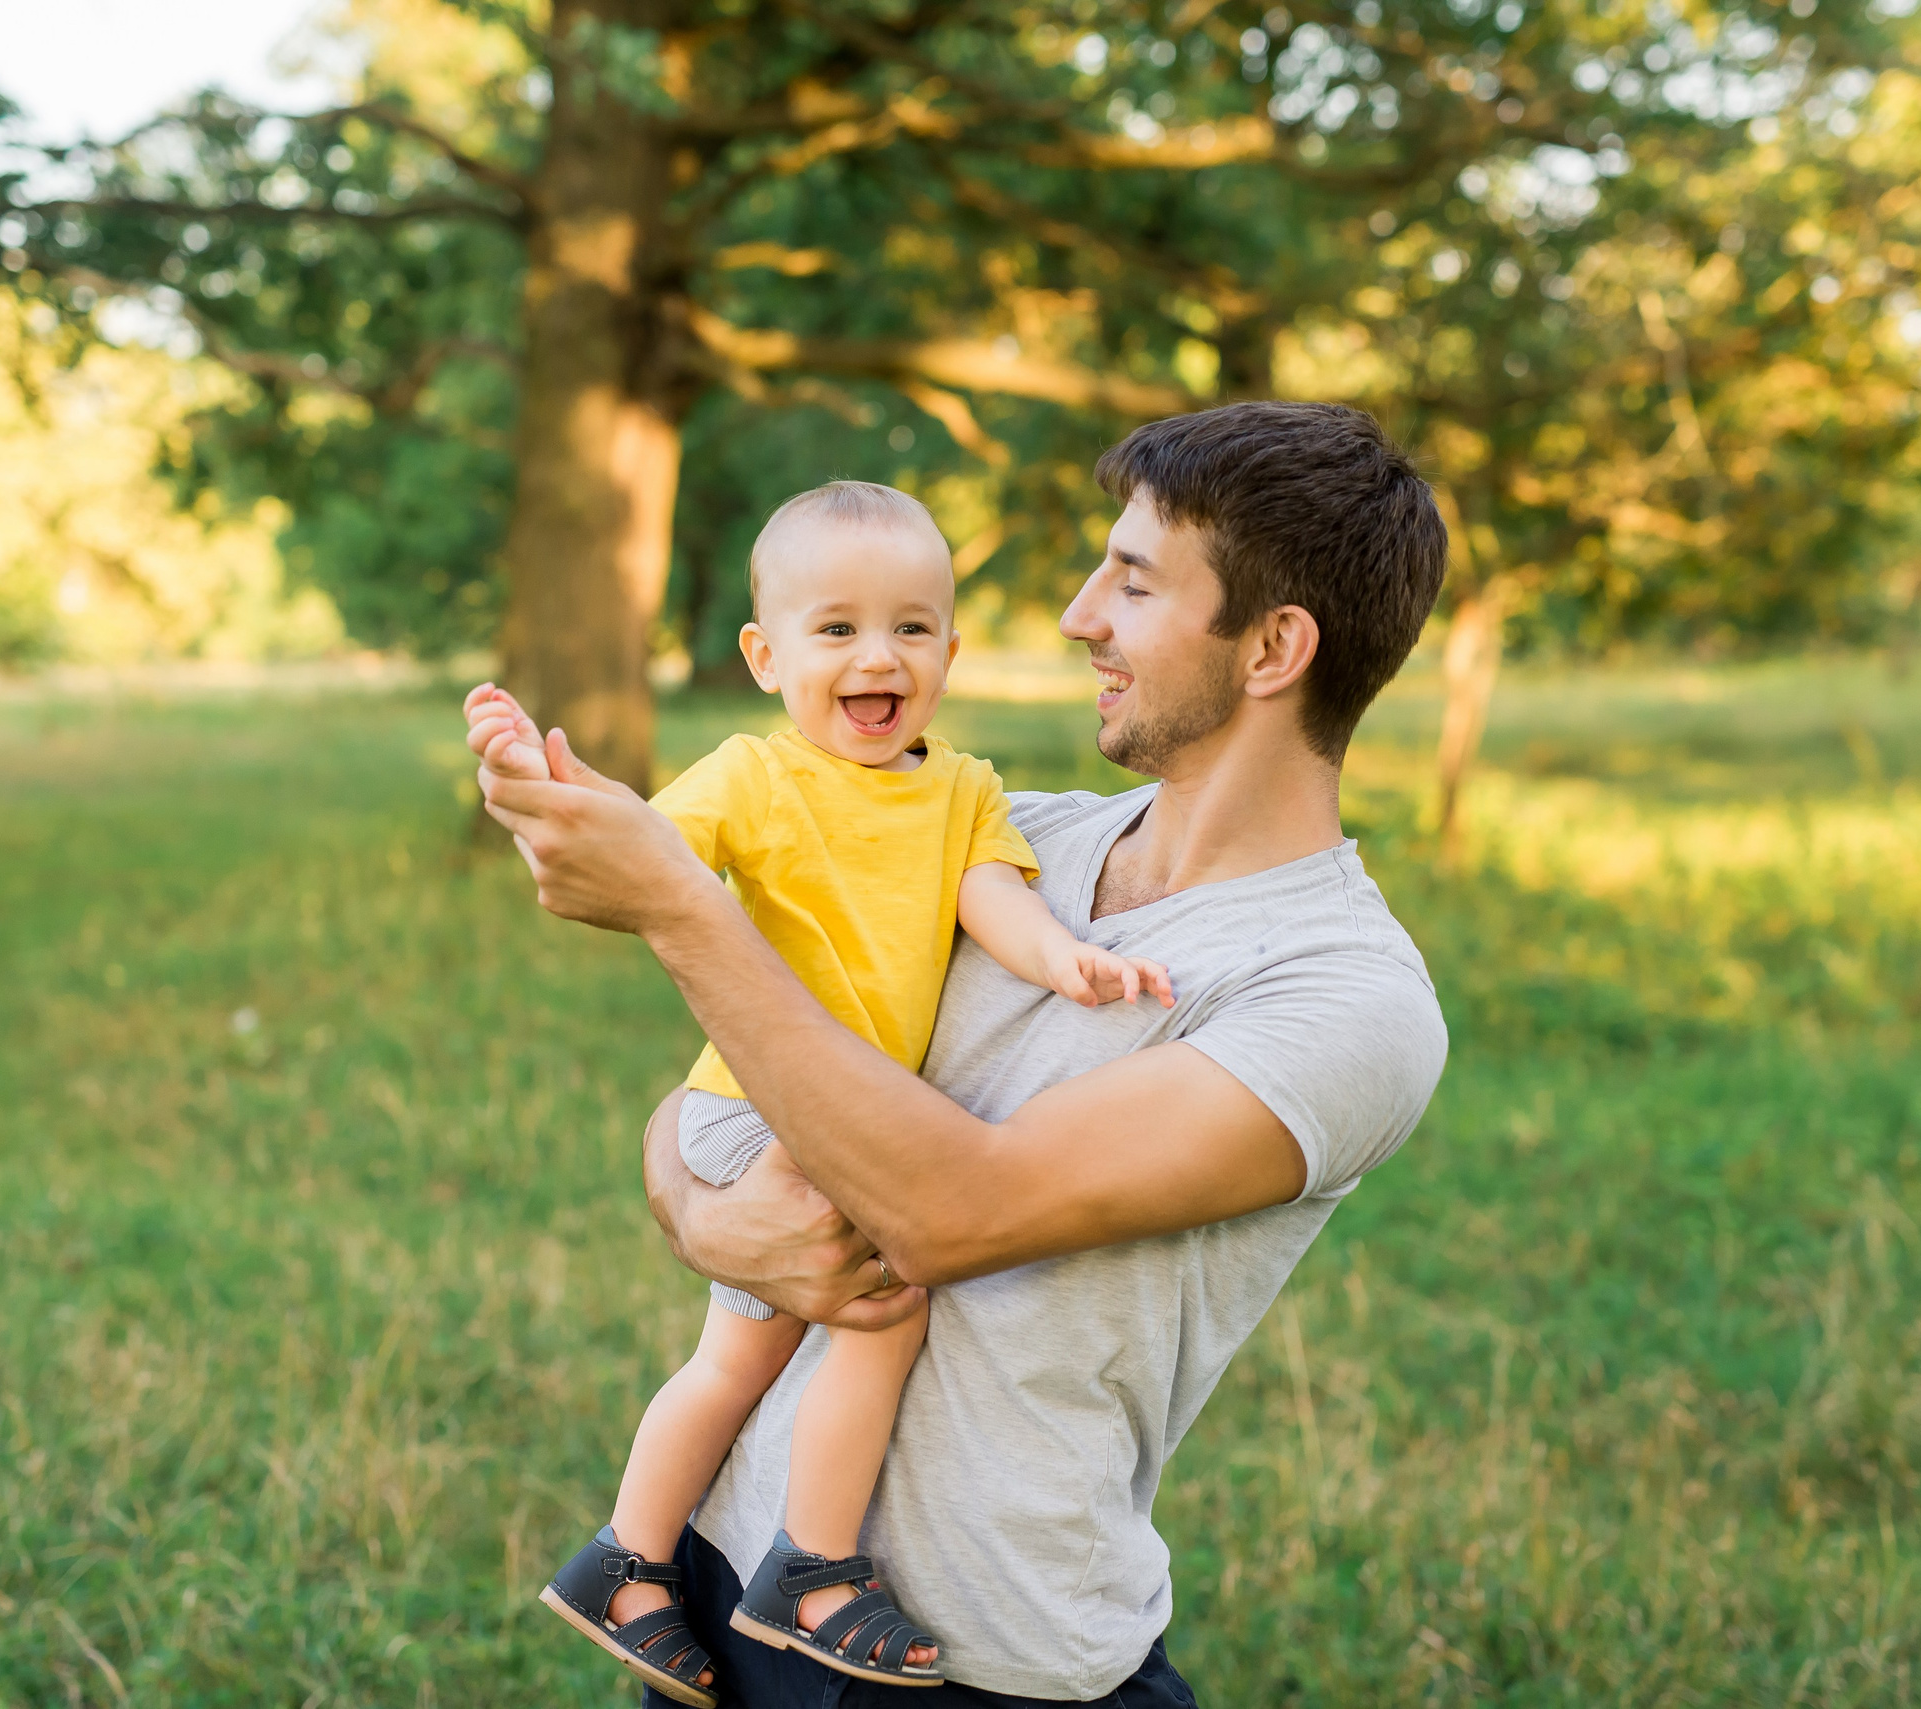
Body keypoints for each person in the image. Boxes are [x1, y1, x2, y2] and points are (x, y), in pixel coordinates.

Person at [477, 401, 1452, 1706]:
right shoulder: (997, 832)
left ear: (1275, 646)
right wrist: (706, 1216)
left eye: (1134, 578)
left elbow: (949, 1213)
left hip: (976, 1656)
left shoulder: (1343, 996)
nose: (1076, 613)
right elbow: (716, 1093)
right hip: (725, 1568)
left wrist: (676, 907)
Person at [469, 481, 1172, 1704]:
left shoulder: (961, 788)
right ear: (765, 655)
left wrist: (1069, 958)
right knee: (881, 1304)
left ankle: (630, 1563)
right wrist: (554, 790)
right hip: (750, 1108)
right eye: (835, 629)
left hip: (818, 1118)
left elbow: (992, 896)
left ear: (950, 651)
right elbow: (653, 855)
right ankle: (815, 1567)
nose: (876, 656)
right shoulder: (752, 774)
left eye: (910, 627)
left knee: (739, 1358)